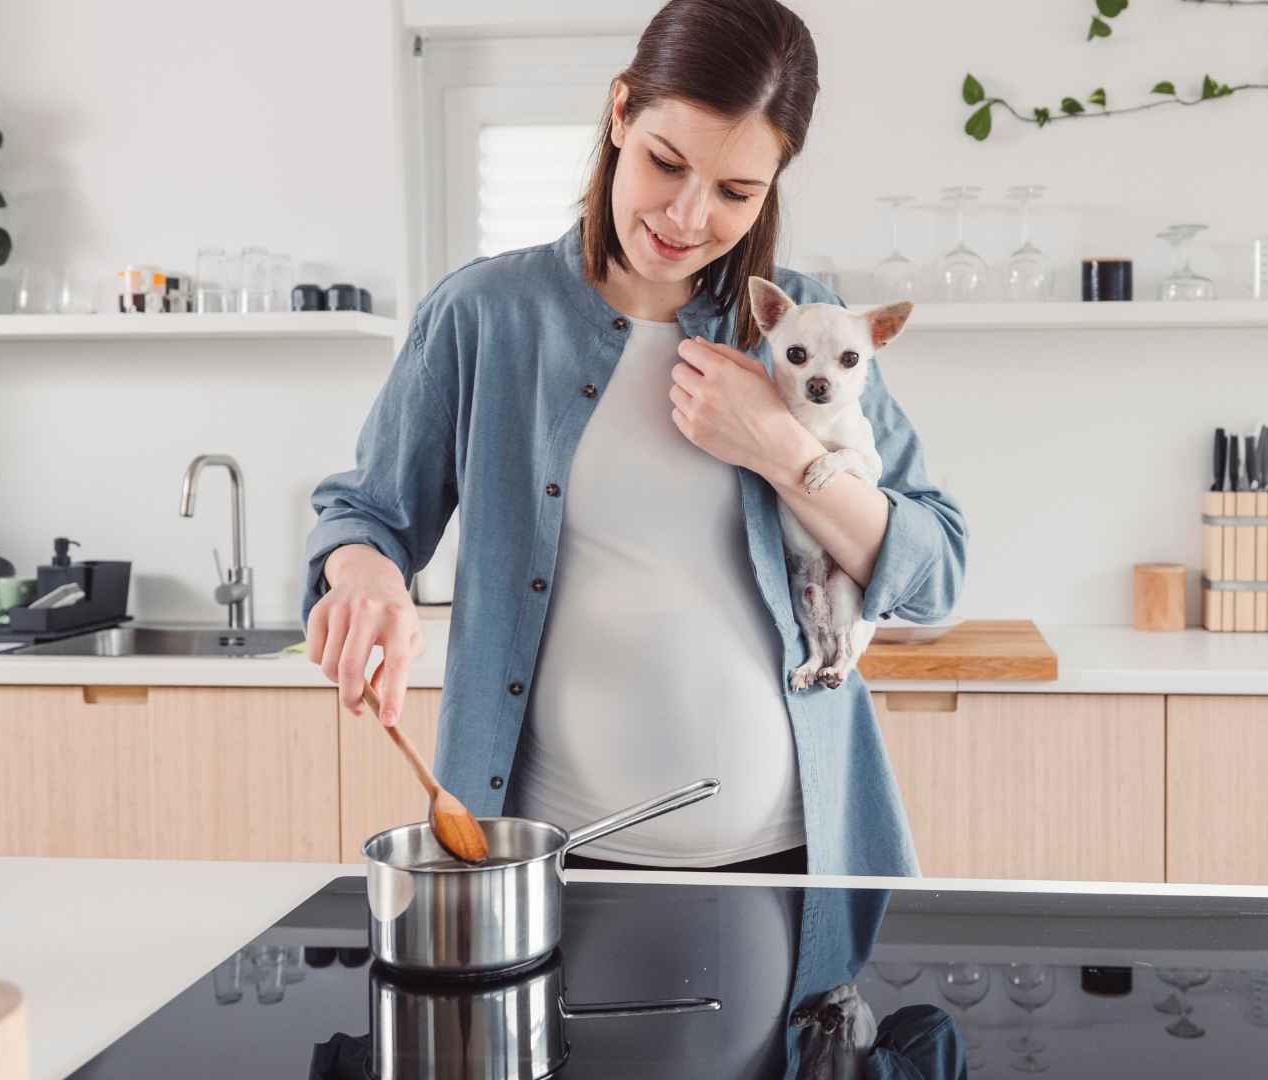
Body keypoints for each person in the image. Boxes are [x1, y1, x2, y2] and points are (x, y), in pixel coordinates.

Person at [301, 0, 965, 877]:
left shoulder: (805, 332)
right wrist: (363, 574)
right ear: (620, 113)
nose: (688, 217)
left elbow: (937, 576)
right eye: (665, 162)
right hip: (542, 863)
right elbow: (368, 512)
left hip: (795, 861)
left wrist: (781, 450)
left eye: (736, 192)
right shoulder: (484, 316)